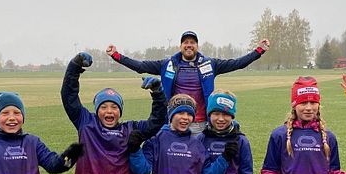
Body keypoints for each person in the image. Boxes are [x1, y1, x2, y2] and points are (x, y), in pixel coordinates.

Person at [60, 51, 166, 174]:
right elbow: (69, 97)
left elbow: (157, 122)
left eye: (114, 107)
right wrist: (74, 67)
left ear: (120, 111)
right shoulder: (86, 123)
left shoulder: (129, 130)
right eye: (104, 107)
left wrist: (158, 91)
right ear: (97, 109)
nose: (109, 111)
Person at [106, 31, 270, 134]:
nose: (189, 45)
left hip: (202, 124)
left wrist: (259, 51)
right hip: (174, 121)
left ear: (197, 46)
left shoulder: (210, 64)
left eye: (192, 42)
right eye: (186, 42)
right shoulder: (168, 64)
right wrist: (116, 56)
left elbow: (237, 63)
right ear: (181, 46)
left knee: (200, 164)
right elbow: (141, 66)